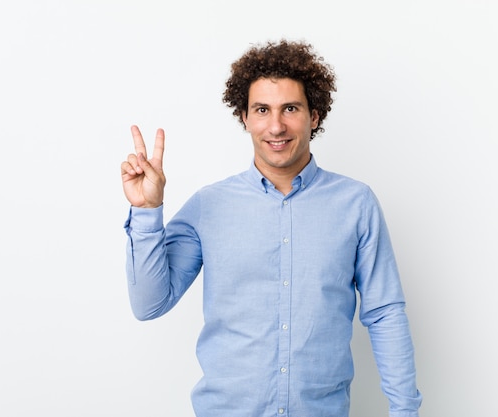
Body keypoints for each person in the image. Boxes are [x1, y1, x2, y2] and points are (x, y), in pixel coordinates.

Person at [120, 39, 422, 417]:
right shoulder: (208, 205)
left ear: (314, 116)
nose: (276, 126)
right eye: (262, 109)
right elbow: (149, 304)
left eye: (290, 108)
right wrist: (148, 211)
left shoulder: (356, 204)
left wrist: (405, 410)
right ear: (244, 117)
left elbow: (384, 313)